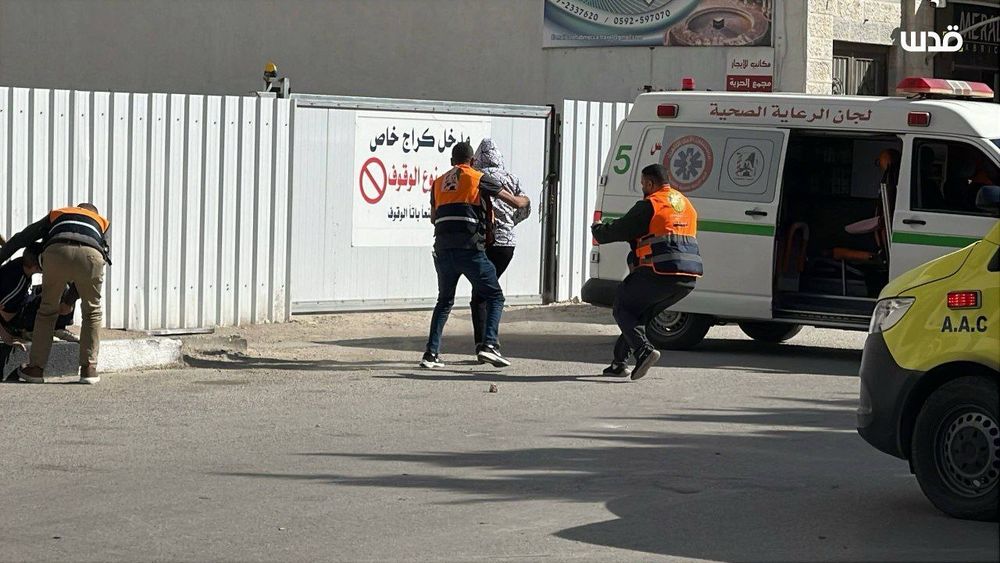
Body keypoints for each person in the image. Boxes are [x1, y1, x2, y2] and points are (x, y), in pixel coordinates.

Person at [422, 142, 529, 369]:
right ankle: (489, 345)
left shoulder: (438, 183)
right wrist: (525, 200)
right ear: (472, 161)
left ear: (451, 161)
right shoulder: (477, 178)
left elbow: (433, 218)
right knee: (494, 297)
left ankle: (431, 355)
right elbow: (514, 202)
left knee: (444, 301)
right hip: (470, 250)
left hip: (442, 251)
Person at [591, 164, 702, 380]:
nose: (642, 188)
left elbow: (619, 229)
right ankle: (618, 363)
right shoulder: (685, 204)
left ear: (650, 183)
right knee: (637, 315)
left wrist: (598, 228)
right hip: (687, 278)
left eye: (643, 184)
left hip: (659, 272)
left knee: (622, 306)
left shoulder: (651, 204)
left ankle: (644, 351)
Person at [0, 203, 111, 384]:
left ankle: (35, 370)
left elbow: (21, 239)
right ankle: (89, 369)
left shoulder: (60, 214)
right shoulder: (101, 223)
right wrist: (69, 300)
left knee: (47, 311)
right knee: (92, 313)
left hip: (57, 252)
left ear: (77, 209)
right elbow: (98, 254)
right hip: (92, 255)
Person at [470, 138, 531, 357]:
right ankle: (487, 343)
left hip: (484, 243)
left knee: (481, 295)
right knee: (487, 291)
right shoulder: (512, 178)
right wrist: (509, 224)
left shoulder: (476, 178)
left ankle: (486, 344)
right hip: (507, 245)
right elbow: (525, 208)